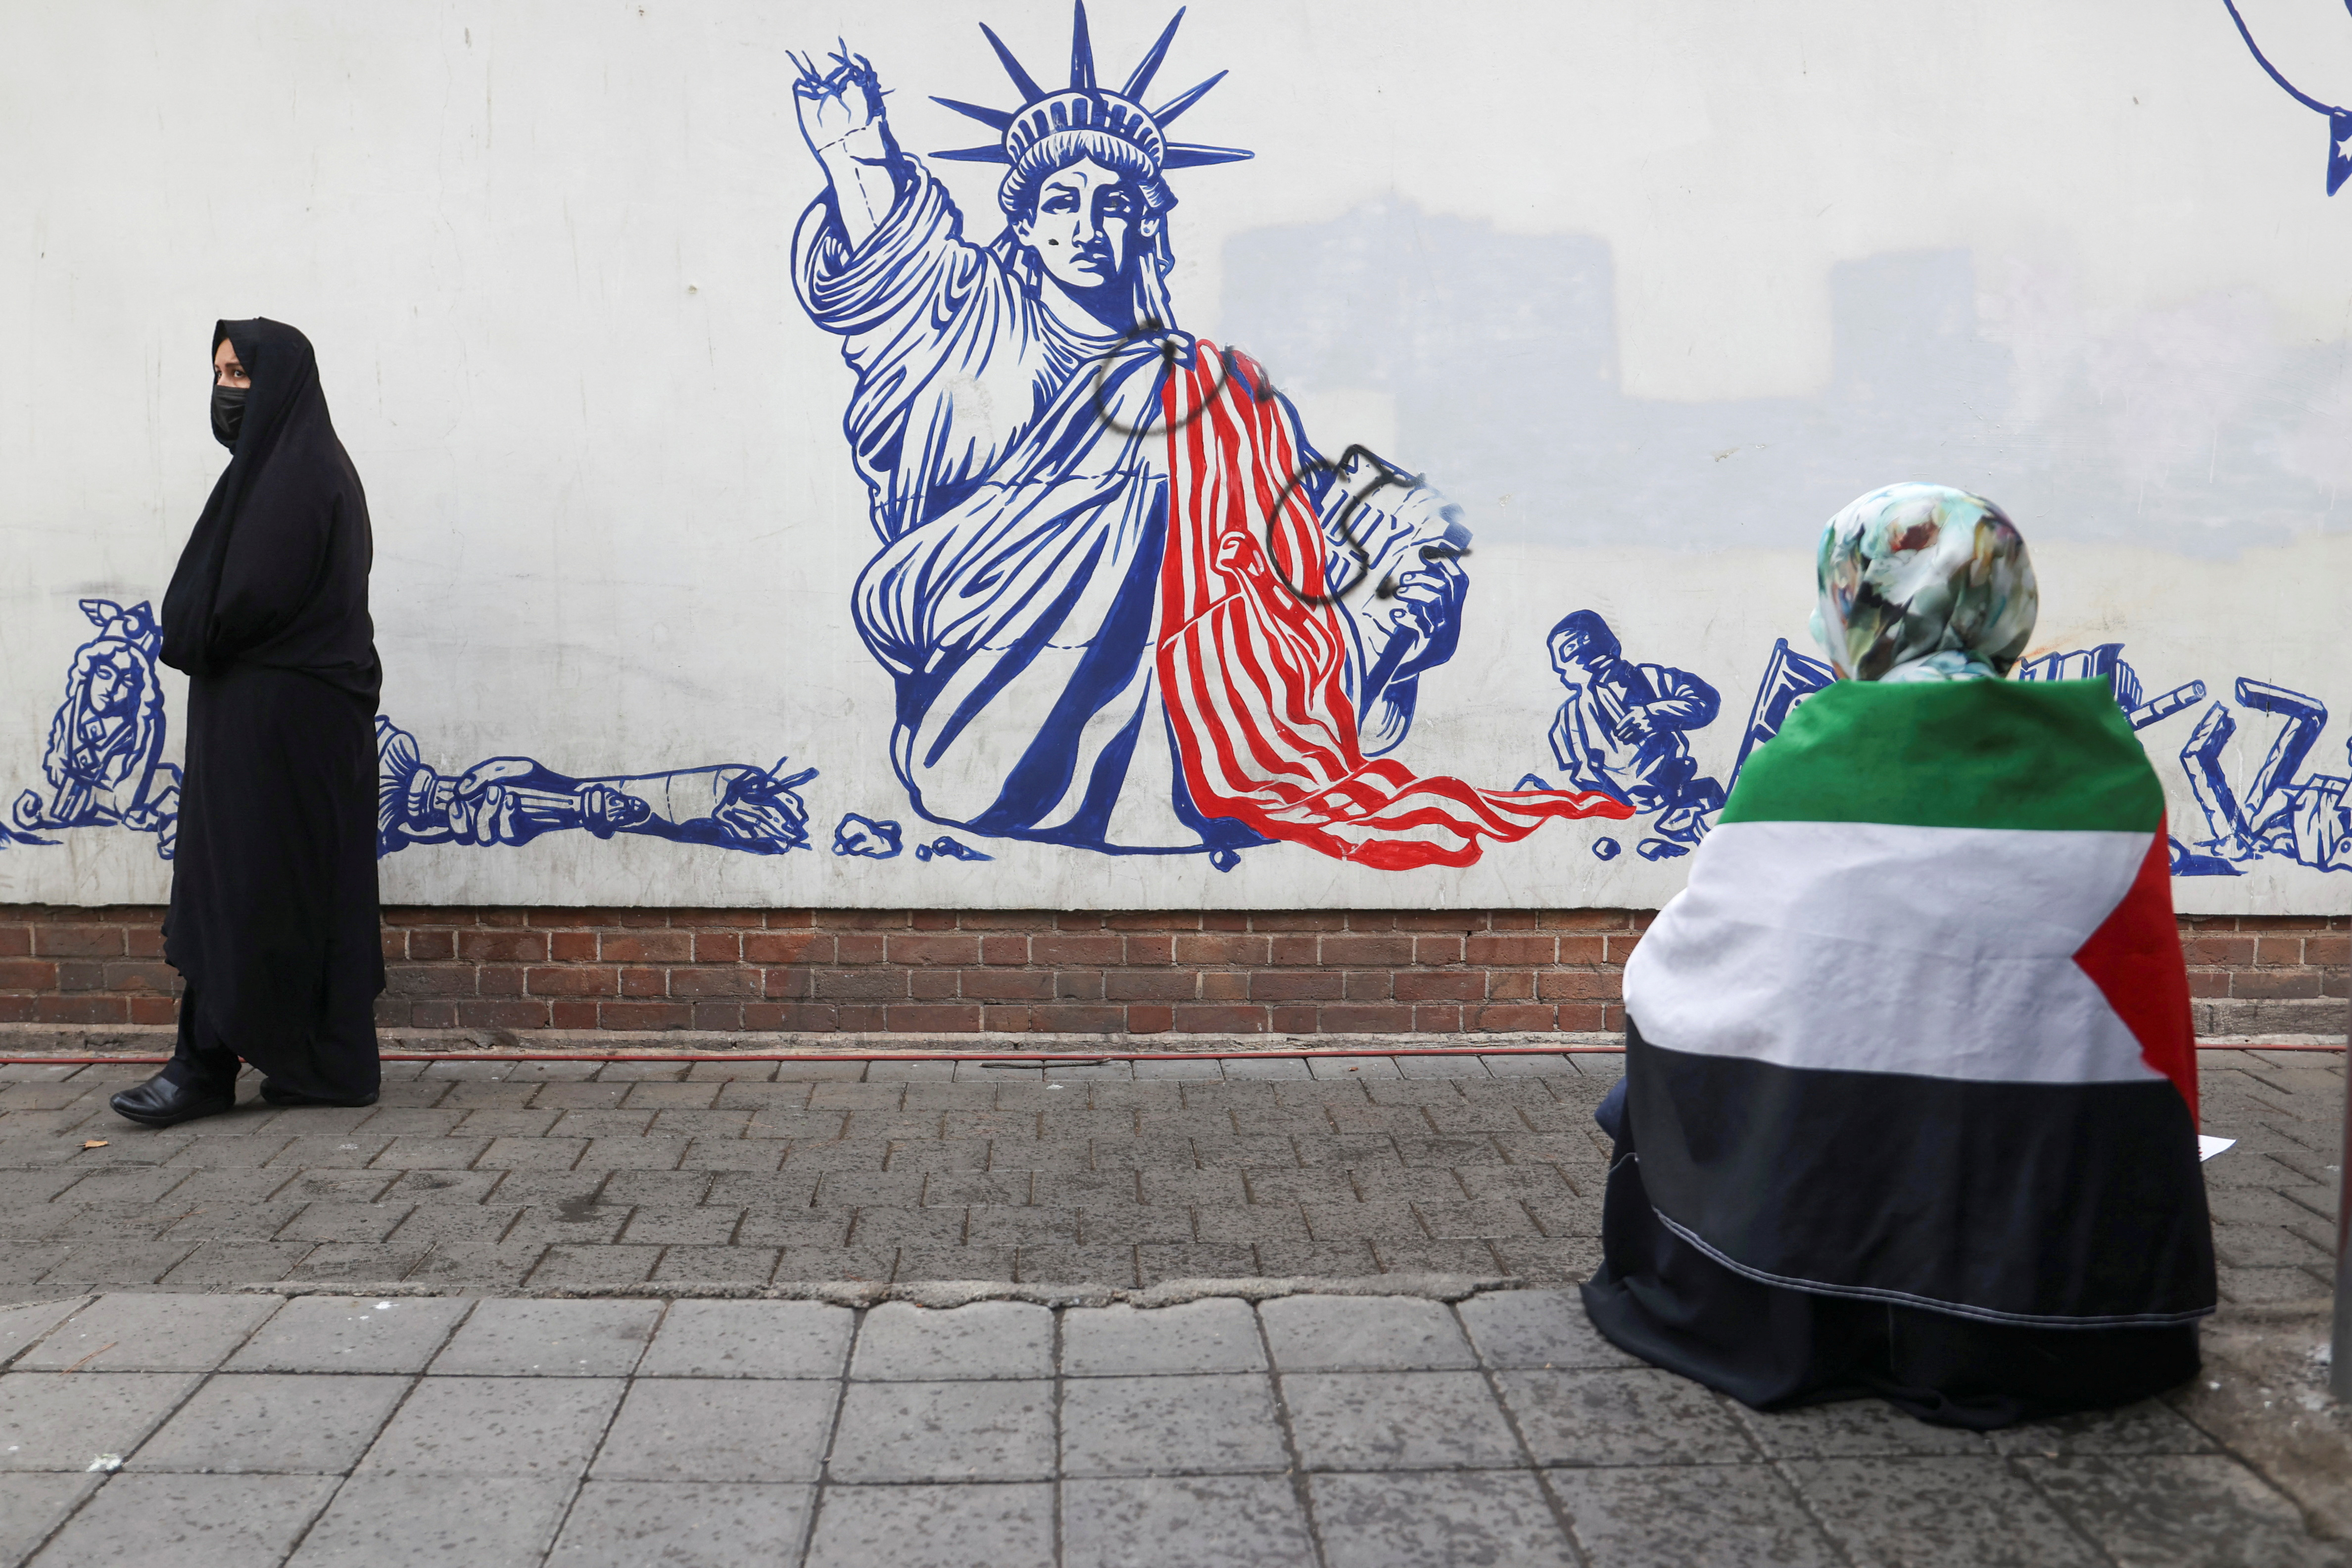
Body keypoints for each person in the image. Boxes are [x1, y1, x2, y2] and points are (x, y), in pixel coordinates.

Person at [788, 15, 1631, 869]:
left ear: (1145, 226)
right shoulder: (977, 330)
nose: (1086, 225)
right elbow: (895, 287)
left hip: (1202, 684)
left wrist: (1403, 524)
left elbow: (1295, 500)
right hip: (987, 667)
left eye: (1112, 204)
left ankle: (1213, 751)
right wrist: (856, 155)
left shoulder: (1218, 385)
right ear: (1027, 222)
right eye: (1061, 201)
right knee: (1155, 471)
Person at [1582, 481, 2215, 1429]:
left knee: (1651, 1077)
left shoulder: (1813, 755)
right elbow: (2133, 1004)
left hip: (1820, 1217)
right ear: (2004, 597)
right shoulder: (2101, 762)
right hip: (2066, 1282)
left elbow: (1690, 967)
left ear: (1857, 602)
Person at [110, 320, 385, 1127]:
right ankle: (328, 1062)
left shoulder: (298, 481)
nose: (229, 390)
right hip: (277, 724)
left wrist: (186, 620)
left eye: (243, 374)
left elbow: (230, 608)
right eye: (221, 373)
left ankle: (202, 1065)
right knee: (286, 885)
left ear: (282, 384)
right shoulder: (278, 473)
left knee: (244, 883)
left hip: (282, 730)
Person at [1542, 610, 1726, 853]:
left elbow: (1706, 701)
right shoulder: (1568, 719)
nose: (1559, 668)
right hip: (1626, 825)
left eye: (1565, 654)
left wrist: (1654, 713)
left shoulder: (1649, 678)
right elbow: (1574, 777)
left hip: (1684, 799)